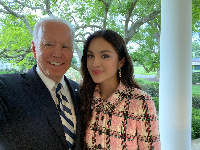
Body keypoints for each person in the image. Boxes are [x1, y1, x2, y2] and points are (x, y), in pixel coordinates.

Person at [0, 16, 82, 150]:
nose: (57, 53)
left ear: (72, 52)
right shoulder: (6, 88)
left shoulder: (81, 93)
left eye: (65, 46)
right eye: (48, 44)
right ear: (34, 49)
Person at [80, 30, 161, 149]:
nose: (95, 63)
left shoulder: (140, 101)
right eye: (90, 55)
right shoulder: (84, 97)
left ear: (121, 61)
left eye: (105, 56)